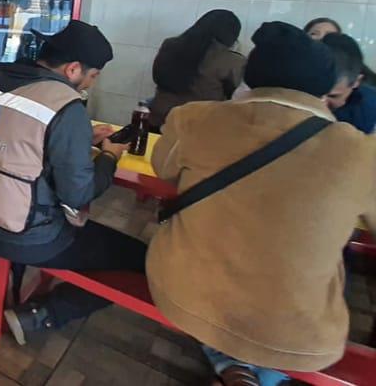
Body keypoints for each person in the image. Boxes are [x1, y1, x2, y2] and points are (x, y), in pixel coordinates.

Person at [148, 21, 376, 385]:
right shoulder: (359, 151)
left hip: (183, 294)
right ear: (324, 86)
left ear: (251, 75)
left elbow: (164, 169)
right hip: (295, 334)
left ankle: (232, 368)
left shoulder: (193, 118)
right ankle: (256, 375)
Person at [0, 20, 144, 345]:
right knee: (139, 259)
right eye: (93, 76)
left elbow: (22, 146)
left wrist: (81, 139)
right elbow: (79, 193)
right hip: (27, 236)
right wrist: (109, 156)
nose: (92, 84)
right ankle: (45, 314)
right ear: (74, 69)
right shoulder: (65, 105)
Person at [149, 9, 244, 131]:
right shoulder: (232, 60)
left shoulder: (170, 45)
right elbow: (236, 97)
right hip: (197, 127)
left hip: (158, 118)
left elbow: (157, 77)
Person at [321, 32, 376, 133]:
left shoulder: (370, 112)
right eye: (317, 93)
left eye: (333, 96)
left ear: (356, 82)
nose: (321, 102)